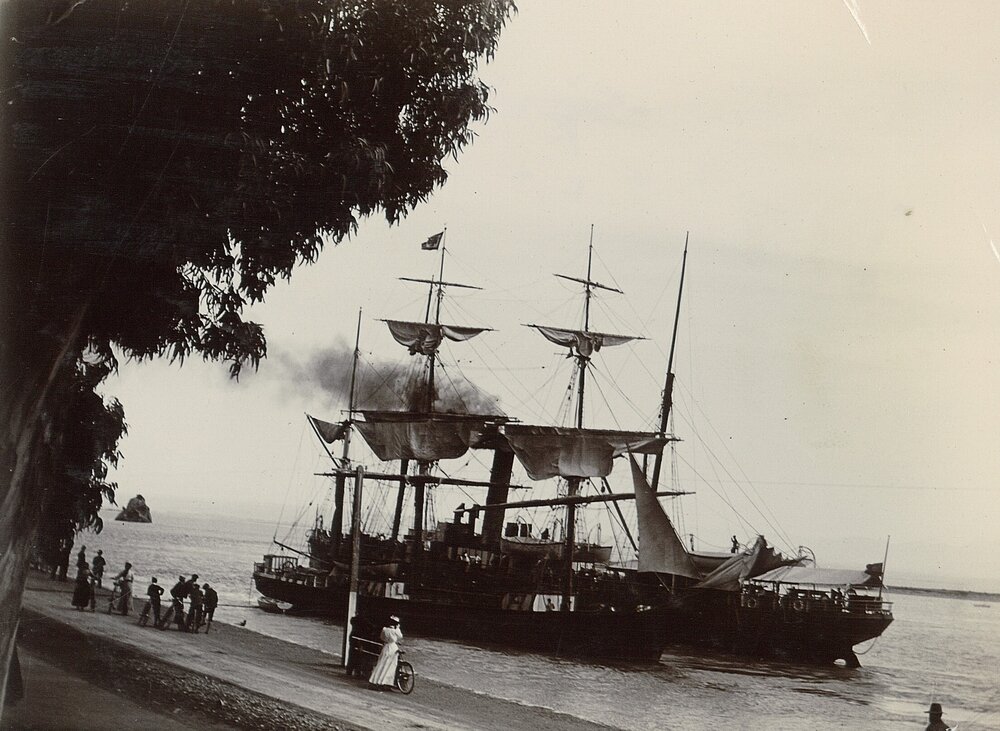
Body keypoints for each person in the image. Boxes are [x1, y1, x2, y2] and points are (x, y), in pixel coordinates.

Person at [368, 616, 403, 690]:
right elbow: (400, 636)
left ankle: (376, 681)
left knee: (381, 664)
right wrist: (398, 628)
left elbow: (382, 638)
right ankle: (386, 683)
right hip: (393, 648)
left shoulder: (384, 629)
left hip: (386, 647)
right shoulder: (395, 631)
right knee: (390, 667)